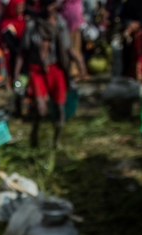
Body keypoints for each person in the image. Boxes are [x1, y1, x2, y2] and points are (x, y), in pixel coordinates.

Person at [16, 0, 85, 148]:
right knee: (41, 110)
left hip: (55, 69)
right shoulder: (33, 25)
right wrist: (16, 73)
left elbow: (67, 47)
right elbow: (23, 52)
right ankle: (34, 133)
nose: (48, 8)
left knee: (60, 108)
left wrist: (79, 62)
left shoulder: (60, 23)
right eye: (45, 5)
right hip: (37, 70)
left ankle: (56, 141)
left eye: (51, 4)